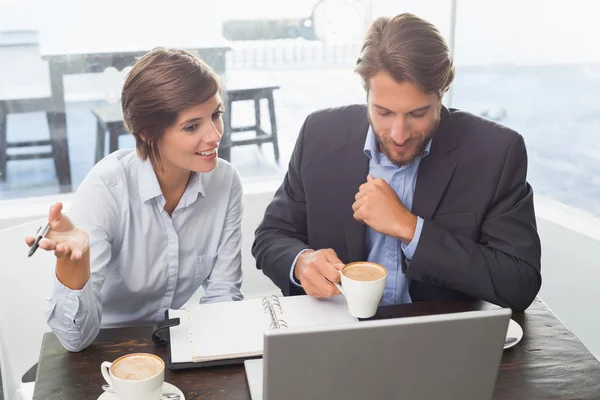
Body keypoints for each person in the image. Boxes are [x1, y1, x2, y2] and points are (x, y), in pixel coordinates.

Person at [252, 13, 541, 312]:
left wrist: (410, 228)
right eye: (384, 112)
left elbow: (519, 282)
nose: (398, 134)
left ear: (442, 94)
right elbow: (271, 236)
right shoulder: (318, 135)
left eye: (417, 114)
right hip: (335, 333)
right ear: (366, 93)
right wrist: (301, 262)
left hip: (440, 337)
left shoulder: (496, 153)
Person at [26, 47, 244, 352]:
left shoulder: (225, 181)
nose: (214, 135)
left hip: (172, 345)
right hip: (102, 352)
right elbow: (74, 341)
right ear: (147, 133)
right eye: (192, 126)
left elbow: (223, 296)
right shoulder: (107, 189)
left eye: (216, 115)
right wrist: (73, 265)